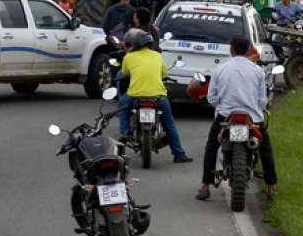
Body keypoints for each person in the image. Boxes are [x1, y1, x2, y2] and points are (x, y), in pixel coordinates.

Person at [196, 34, 276, 200]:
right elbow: (262, 101)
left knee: (211, 146)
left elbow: (212, 99)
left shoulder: (220, 69)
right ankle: (271, 186)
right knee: (265, 149)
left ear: (231, 49)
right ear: (248, 50)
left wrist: (221, 104)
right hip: (252, 118)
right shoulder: (258, 71)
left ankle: (205, 186)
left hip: (226, 116)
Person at [117, 29, 192, 163]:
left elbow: (124, 74)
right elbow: (163, 75)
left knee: (123, 105)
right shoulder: (158, 56)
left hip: (135, 96)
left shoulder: (129, 57)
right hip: (158, 97)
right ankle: (179, 154)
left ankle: (125, 132)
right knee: (169, 124)